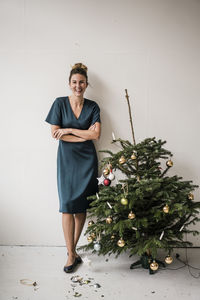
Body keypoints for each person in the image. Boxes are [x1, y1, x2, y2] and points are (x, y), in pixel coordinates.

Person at [45, 63, 101, 273]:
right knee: (67, 205)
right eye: (75, 82)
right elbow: (54, 134)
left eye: (82, 82)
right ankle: (71, 254)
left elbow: (96, 135)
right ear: (69, 84)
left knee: (81, 207)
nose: (78, 86)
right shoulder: (59, 103)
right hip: (67, 161)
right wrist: (82, 133)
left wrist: (69, 130)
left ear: (87, 84)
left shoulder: (93, 106)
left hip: (87, 161)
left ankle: (72, 251)